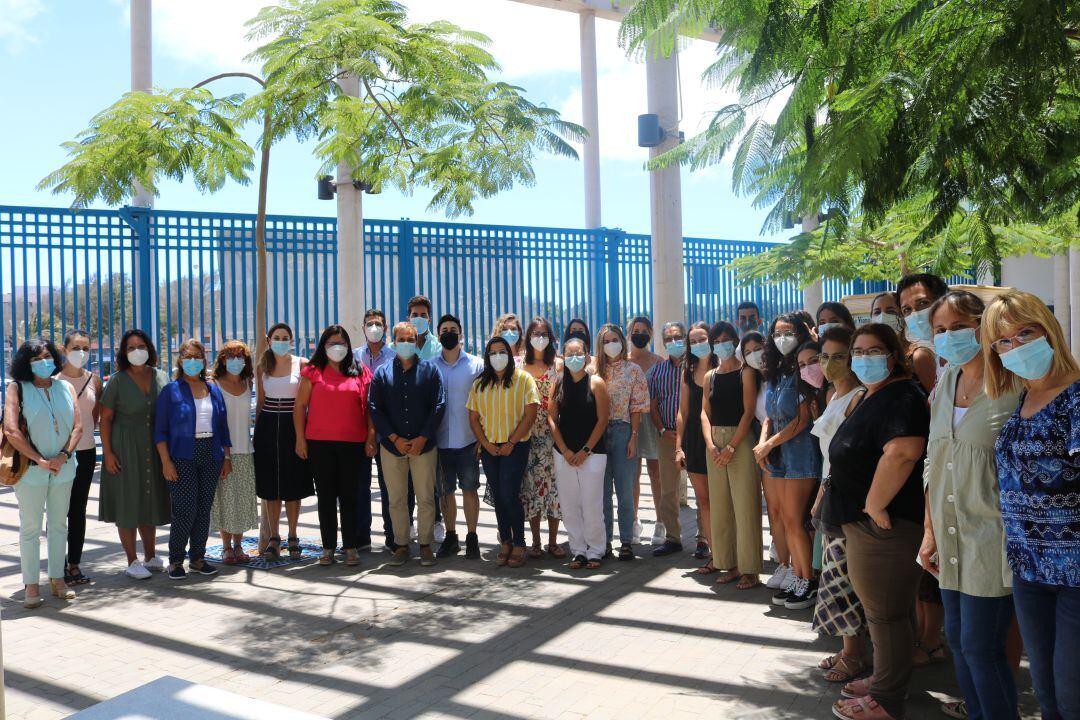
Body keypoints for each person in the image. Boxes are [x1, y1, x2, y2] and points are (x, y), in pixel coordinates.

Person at [922, 290, 1020, 720]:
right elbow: (933, 461)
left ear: (985, 325)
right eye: (940, 330)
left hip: (993, 541)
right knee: (959, 641)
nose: (949, 337)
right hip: (949, 537)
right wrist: (929, 533)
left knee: (983, 648)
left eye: (959, 327)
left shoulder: (1014, 382)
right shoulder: (947, 380)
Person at [827, 323, 930, 720]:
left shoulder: (902, 395)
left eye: (875, 351)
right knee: (892, 611)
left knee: (884, 614)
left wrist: (873, 504)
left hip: (884, 525)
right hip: (867, 522)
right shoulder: (875, 394)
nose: (865, 358)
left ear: (894, 354)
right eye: (859, 351)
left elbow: (903, 452)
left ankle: (887, 699)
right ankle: (888, 676)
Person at [986, 290, 1080, 720]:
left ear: (1050, 332)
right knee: (1045, 690)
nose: (1015, 347)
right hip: (1029, 568)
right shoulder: (1021, 399)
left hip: (1075, 572)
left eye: (1025, 333)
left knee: (1071, 694)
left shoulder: (1075, 398)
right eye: (1003, 341)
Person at [809, 326, 869, 684]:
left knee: (845, 578)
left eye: (839, 356)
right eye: (824, 356)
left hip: (846, 500)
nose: (830, 364)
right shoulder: (833, 395)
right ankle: (850, 650)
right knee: (836, 575)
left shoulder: (860, 397)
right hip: (829, 494)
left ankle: (854, 654)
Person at [4, 338, 82, 607]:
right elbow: (11, 430)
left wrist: (63, 456)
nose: (43, 362)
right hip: (31, 471)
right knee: (30, 527)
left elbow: (78, 428)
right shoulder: (17, 388)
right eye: (36, 358)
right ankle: (31, 583)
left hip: (64, 467)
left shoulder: (66, 387)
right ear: (26, 363)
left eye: (47, 356)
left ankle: (57, 579)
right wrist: (39, 459)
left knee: (60, 524)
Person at [896, 273, 948, 668]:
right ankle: (926, 639)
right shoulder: (915, 350)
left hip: (947, 476)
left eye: (922, 304)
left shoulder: (932, 356)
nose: (915, 314)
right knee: (924, 565)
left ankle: (932, 641)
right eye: (907, 309)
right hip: (927, 476)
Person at [294, 325, 376, 567]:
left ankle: (351, 546)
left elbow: (370, 409)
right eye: (331, 343)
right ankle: (328, 548)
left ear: (349, 346)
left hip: (353, 444)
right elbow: (299, 407)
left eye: (341, 343)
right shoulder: (312, 371)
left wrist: (371, 437)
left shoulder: (360, 371)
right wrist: (300, 438)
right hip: (320, 444)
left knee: (350, 497)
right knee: (327, 498)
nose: (337, 347)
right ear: (323, 346)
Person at [756, 313, 821, 610]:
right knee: (785, 518)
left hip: (800, 453)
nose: (782, 337)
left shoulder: (805, 371)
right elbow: (771, 413)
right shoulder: (779, 372)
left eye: (789, 331)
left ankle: (807, 580)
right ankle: (797, 574)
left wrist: (768, 443)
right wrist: (765, 440)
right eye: (777, 332)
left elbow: (802, 420)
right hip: (780, 454)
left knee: (796, 520)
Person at [370, 321, 446, 567]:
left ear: (417, 342)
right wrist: (394, 438)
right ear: (393, 342)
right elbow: (375, 408)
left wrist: (422, 437)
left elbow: (438, 406)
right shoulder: (382, 373)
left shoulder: (431, 371)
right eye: (401, 339)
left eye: (410, 339)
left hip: (424, 446)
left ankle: (425, 545)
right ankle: (401, 545)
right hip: (392, 447)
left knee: (425, 498)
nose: (406, 344)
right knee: (396, 499)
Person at [154, 339, 232, 580]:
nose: (193, 362)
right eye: (188, 357)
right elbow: (160, 430)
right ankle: (176, 560)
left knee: (203, 509)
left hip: (211, 453)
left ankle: (198, 558)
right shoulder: (171, 390)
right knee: (185, 509)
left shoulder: (213, 390)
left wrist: (226, 456)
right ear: (180, 360)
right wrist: (166, 462)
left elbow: (222, 426)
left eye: (197, 357)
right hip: (182, 455)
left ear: (204, 361)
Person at [99, 329, 171, 579]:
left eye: (140, 346)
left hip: (154, 445)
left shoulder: (162, 376)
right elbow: (105, 419)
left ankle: (151, 556)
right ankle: (132, 560)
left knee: (148, 498)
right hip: (125, 446)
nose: (136, 351)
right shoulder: (118, 380)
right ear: (123, 353)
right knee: (128, 501)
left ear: (149, 349)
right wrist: (108, 452)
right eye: (130, 347)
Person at [467, 337, 539, 567]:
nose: (498, 356)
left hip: (515, 446)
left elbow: (530, 414)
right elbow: (474, 417)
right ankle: (505, 540)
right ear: (487, 358)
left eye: (502, 352)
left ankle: (519, 542)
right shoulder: (480, 384)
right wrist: (485, 444)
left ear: (509, 354)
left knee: (509, 493)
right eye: (493, 353)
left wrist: (511, 442)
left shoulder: (523, 380)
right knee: (498, 495)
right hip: (490, 447)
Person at [701, 320, 762, 589]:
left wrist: (731, 447)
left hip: (740, 441)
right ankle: (729, 563)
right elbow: (704, 412)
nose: (721, 344)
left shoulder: (746, 372)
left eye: (726, 339)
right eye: (717, 340)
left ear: (734, 341)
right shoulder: (709, 376)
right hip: (714, 443)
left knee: (745, 505)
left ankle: (751, 570)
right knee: (721, 506)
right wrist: (711, 444)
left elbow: (749, 412)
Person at [549, 336, 610, 569]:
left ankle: (596, 550)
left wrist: (585, 450)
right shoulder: (558, 383)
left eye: (579, 353)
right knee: (569, 504)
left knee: (592, 503)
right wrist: (564, 449)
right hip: (563, 454)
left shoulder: (596, 383)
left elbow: (603, 419)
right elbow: (551, 419)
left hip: (593, 454)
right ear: (563, 357)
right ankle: (578, 551)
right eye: (569, 354)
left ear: (587, 356)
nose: (574, 358)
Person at [254, 323, 313, 560]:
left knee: (293, 482)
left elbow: (308, 401)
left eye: (285, 337)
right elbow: (260, 401)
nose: (281, 341)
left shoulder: (303, 363)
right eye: (276, 337)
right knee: (270, 486)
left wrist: (303, 436)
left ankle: (293, 535)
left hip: (294, 424)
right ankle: (274, 538)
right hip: (268, 424)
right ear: (269, 340)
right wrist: (256, 433)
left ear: (291, 340)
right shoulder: (262, 366)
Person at [356, 308, 411, 551]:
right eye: (369, 323)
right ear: (363, 327)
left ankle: (394, 535)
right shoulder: (354, 356)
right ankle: (361, 536)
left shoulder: (395, 356)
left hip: (389, 432)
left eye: (378, 324)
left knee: (393, 487)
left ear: (386, 328)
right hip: (360, 432)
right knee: (360, 485)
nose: (374, 328)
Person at [431, 314, 484, 559]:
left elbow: (485, 404)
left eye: (453, 329)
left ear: (460, 334)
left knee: (470, 489)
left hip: (468, 440)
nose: (449, 333)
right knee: (445, 491)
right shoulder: (430, 366)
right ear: (438, 334)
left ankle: (472, 536)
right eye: (444, 329)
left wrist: (483, 439)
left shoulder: (477, 365)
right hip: (440, 441)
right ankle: (451, 536)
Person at [597, 323, 650, 561]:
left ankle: (626, 540)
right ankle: (605, 540)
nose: (611, 344)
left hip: (623, 430)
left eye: (614, 339)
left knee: (625, 491)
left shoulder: (633, 370)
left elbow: (637, 406)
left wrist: (634, 436)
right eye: (606, 341)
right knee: (603, 491)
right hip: (598, 434)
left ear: (622, 340)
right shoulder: (593, 370)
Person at [57, 329, 101, 586]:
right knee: (58, 511)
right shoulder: (53, 379)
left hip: (85, 452)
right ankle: (57, 565)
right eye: (75, 347)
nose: (81, 353)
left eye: (85, 348)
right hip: (59, 455)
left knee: (78, 510)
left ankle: (74, 564)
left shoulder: (94, 379)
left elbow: (93, 417)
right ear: (64, 350)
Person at [210, 341, 258, 565]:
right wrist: (224, 455)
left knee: (243, 498)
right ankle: (226, 547)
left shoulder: (249, 382)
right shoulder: (214, 384)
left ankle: (239, 545)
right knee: (225, 500)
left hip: (246, 450)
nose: (236, 360)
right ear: (222, 359)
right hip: (223, 451)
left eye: (240, 356)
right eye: (231, 356)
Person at [520, 316, 564, 558]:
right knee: (532, 490)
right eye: (535, 333)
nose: (539, 338)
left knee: (554, 490)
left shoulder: (558, 366)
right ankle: (535, 541)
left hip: (554, 436)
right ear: (528, 338)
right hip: (528, 436)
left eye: (544, 333)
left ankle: (554, 541)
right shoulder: (520, 366)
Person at [678, 321, 716, 566]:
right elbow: (682, 412)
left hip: (720, 439)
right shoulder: (687, 371)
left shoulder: (726, 367)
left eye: (703, 339)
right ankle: (716, 553)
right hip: (693, 440)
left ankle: (732, 552)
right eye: (694, 341)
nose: (699, 344)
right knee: (704, 501)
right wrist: (678, 446)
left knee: (723, 500)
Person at [650, 321, 688, 557]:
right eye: (669, 339)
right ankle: (673, 538)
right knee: (667, 491)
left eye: (678, 337)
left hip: (693, 437)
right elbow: (653, 405)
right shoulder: (658, 371)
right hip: (667, 436)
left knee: (701, 489)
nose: (674, 342)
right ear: (663, 343)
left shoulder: (697, 367)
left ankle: (704, 538)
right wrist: (663, 429)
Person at [628, 316, 662, 545]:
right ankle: (633, 521)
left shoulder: (658, 361)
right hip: (630, 424)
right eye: (635, 330)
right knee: (632, 474)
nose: (639, 333)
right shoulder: (622, 360)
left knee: (656, 472)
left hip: (653, 422)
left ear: (650, 333)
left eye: (644, 330)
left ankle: (661, 522)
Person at [407, 294, 442, 362]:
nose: (419, 319)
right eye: (415, 315)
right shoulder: (398, 347)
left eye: (423, 315)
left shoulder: (439, 347)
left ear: (429, 320)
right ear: (408, 319)